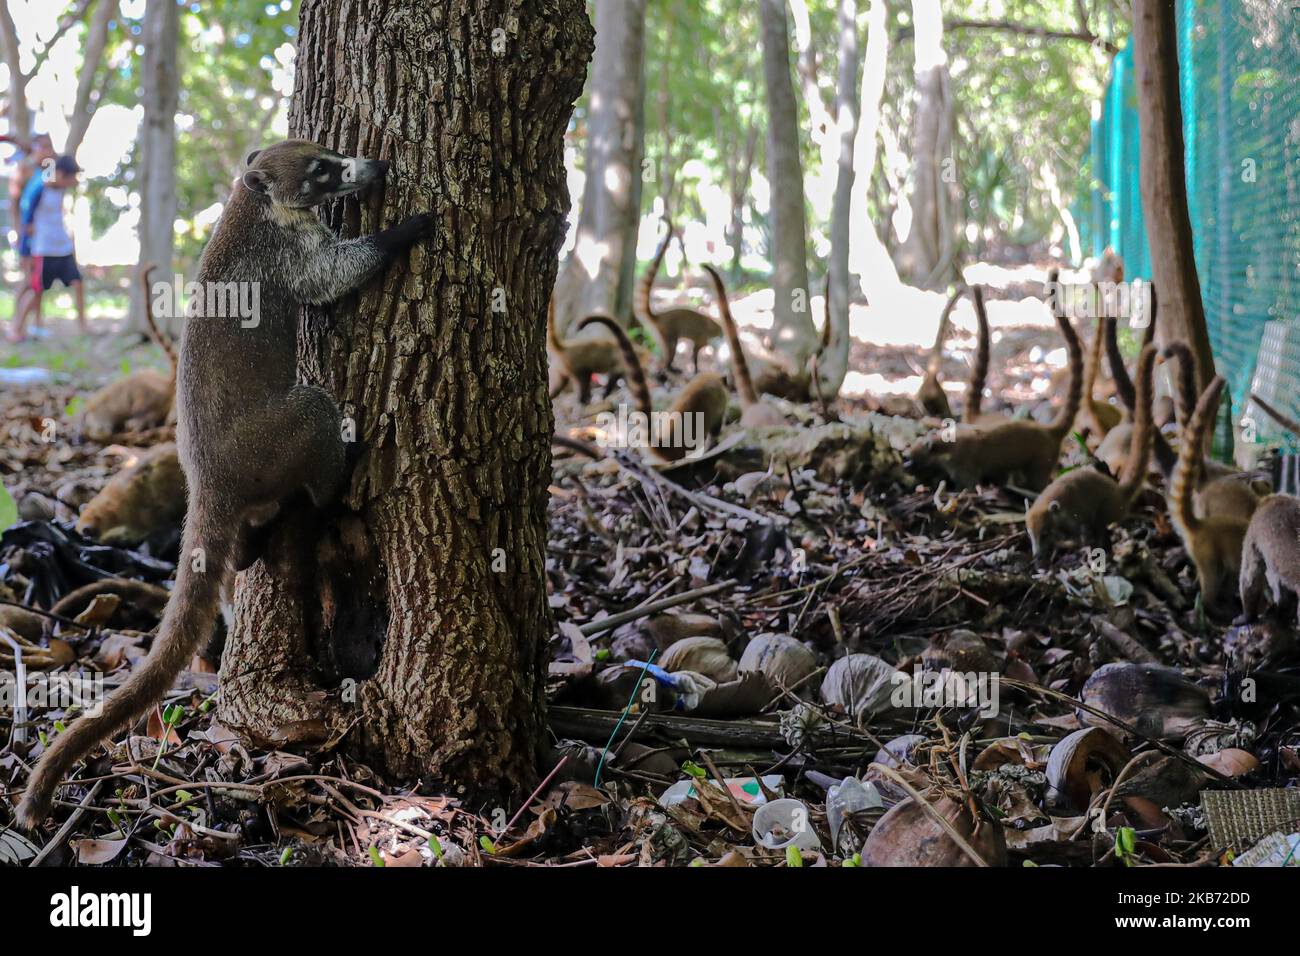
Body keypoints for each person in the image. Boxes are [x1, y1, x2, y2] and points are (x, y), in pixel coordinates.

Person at [8, 154, 86, 343]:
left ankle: (83, 325)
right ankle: (16, 329)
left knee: (78, 282)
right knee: (36, 289)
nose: (71, 182)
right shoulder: (38, 189)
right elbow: (27, 223)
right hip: (43, 249)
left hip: (62, 247)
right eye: (69, 177)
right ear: (59, 173)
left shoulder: (60, 190)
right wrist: (25, 251)